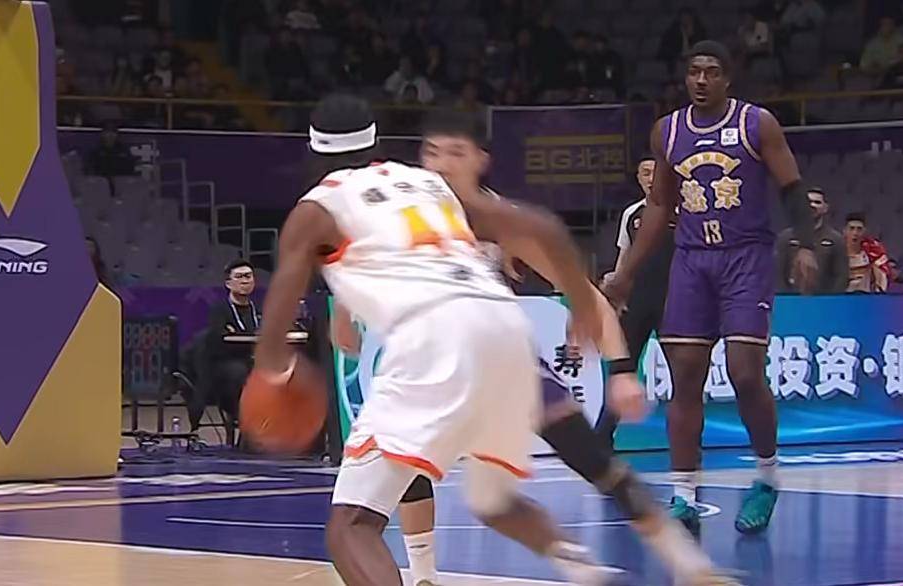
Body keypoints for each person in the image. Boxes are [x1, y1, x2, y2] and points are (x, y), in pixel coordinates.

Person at [331, 112, 732, 586]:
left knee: (594, 463)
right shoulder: (404, 207)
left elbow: (585, 293)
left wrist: (622, 368)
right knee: (454, 489)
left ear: (480, 160)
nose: (441, 164)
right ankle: (435, 574)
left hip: (496, 360)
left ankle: (690, 565)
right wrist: (344, 313)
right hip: (433, 359)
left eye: (456, 153)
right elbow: (352, 263)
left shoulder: (499, 218)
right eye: (432, 153)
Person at [253, 94, 613, 586]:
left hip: (433, 340)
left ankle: (430, 572)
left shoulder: (317, 208)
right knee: (493, 501)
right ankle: (583, 567)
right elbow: (540, 225)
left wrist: (275, 371)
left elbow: (278, 321)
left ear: (314, 150)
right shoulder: (428, 183)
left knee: (352, 524)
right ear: (376, 142)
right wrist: (583, 302)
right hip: (507, 330)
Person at [605, 41, 819, 535]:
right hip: (691, 259)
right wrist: (626, 272)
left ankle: (767, 476)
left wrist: (805, 245)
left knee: (744, 372)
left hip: (745, 256)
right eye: (694, 71)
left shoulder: (756, 124)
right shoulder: (668, 131)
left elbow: (791, 188)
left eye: (712, 72)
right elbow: (660, 206)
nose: (701, 80)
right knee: (684, 375)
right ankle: (684, 493)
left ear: (728, 78)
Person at [595, 156, 676, 446]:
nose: (651, 178)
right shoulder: (632, 214)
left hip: (674, 302)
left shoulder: (683, 209)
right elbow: (625, 257)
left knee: (684, 376)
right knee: (621, 369)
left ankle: (687, 443)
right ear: (639, 179)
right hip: (637, 302)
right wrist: (617, 289)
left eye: (656, 172)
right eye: (645, 173)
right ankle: (601, 442)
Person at [190, 260, 260, 432]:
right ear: (228, 283)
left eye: (248, 276)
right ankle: (245, 419)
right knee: (239, 372)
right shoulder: (219, 310)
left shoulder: (258, 310)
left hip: (253, 360)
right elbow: (220, 341)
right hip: (224, 365)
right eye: (239, 277)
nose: (245, 281)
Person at [776, 187, 848, 294]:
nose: (812, 205)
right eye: (808, 202)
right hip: (790, 300)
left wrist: (831, 299)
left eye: (817, 202)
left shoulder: (836, 239)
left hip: (824, 300)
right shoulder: (785, 237)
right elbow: (778, 274)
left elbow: (842, 276)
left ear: (825, 208)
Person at [844, 212, 890, 293]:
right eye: (851, 228)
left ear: (864, 232)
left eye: (859, 229)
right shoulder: (836, 251)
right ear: (844, 231)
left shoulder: (873, 252)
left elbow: (881, 280)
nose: (855, 233)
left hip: (864, 296)